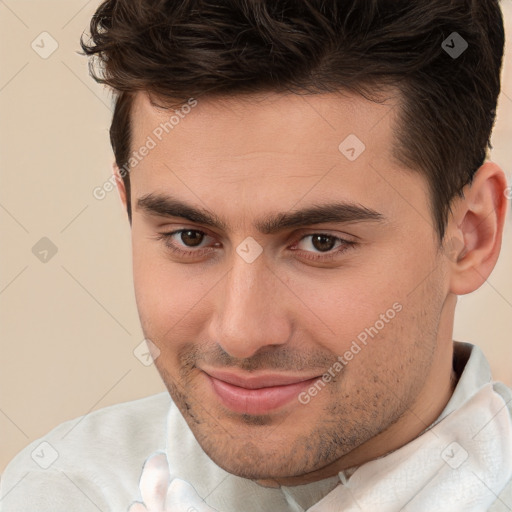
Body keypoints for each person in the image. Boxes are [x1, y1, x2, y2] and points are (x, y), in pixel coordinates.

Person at [1, 0, 511, 510]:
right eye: (190, 237)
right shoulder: (54, 489)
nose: (240, 334)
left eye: (321, 242)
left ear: (471, 235)